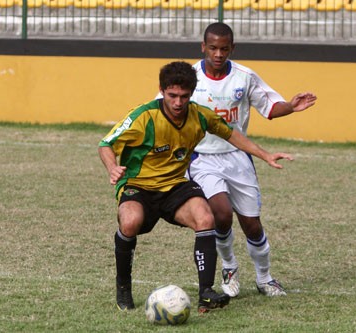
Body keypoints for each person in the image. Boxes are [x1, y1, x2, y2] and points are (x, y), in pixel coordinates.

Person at [98, 61, 295, 313]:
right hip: (139, 185)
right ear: (162, 90)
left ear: (192, 94)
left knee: (205, 217)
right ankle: (123, 287)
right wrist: (112, 167)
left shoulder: (199, 115)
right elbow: (105, 143)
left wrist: (264, 154)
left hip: (175, 185)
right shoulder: (143, 116)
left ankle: (206, 293)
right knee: (130, 222)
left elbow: (230, 134)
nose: (178, 103)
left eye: (183, 96)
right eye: (172, 96)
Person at [188, 22, 317, 298]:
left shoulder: (245, 77)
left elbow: (269, 107)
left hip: (237, 157)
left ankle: (264, 278)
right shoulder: (189, 76)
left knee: (252, 225)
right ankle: (230, 267)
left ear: (232, 48)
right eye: (213, 48)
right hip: (203, 159)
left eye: (224, 48)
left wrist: (291, 107)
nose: (218, 54)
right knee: (220, 214)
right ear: (203, 47)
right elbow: (165, 105)